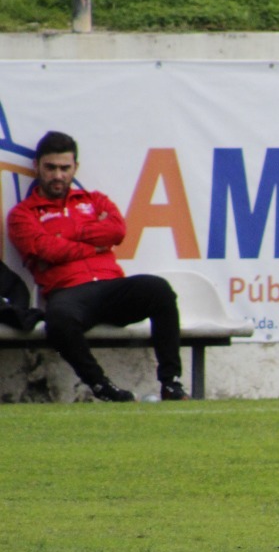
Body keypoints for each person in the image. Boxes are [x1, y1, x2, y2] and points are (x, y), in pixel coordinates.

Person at [5, 131, 188, 402]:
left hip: (110, 285)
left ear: (75, 168)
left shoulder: (94, 200)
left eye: (65, 168)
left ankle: (171, 383)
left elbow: (117, 230)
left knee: (158, 289)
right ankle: (102, 386)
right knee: (58, 320)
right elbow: (45, 249)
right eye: (51, 168)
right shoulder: (23, 214)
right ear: (37, 167)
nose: (58, 175)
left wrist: (64, 236)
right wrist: (93, 241)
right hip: (69, 292)